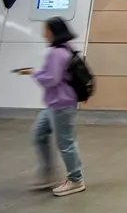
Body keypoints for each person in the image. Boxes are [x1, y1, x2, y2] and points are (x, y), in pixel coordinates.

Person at [17, 17, 85, 197]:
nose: (43, 34)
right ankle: (48, 172)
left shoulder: (56, 53)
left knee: (66, 142)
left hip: (61, 104)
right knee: (39, 134)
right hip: (54, 103)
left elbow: (51, 79)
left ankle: (76, 179)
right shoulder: (67, 48)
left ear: (54, 32)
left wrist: (33, 73)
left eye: (46, 30)